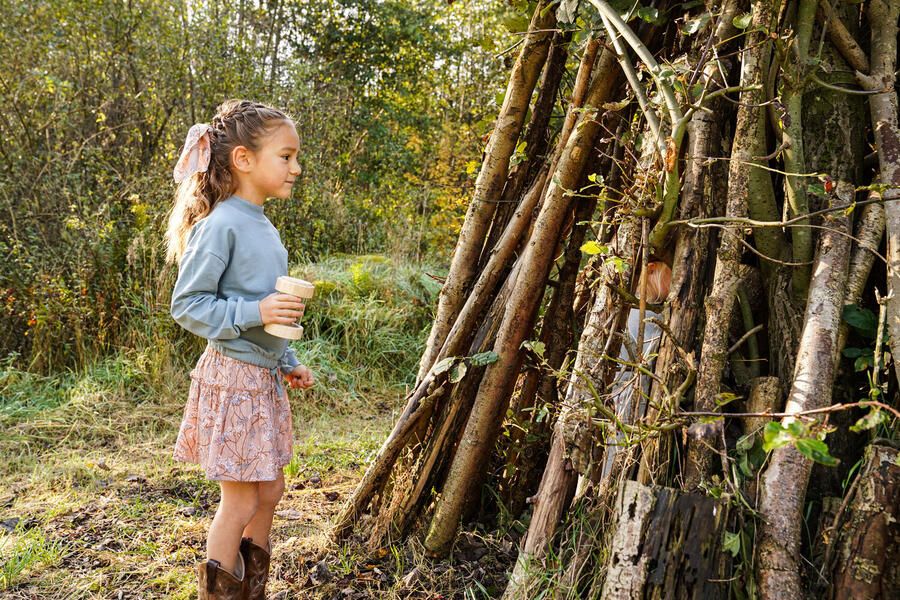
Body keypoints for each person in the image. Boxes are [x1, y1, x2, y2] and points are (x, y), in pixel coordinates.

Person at [165, 99, 315, 599]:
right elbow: (188, 306)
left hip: (264, 377)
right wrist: (256, 313)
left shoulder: (264, 225)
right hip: (233, 379)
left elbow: (267, 308)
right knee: (241, 499)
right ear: (244, 160)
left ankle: (252, 590)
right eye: (286, 156)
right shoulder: (223, 223)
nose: (296, 168)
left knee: (270, 490)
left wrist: (288, 359)